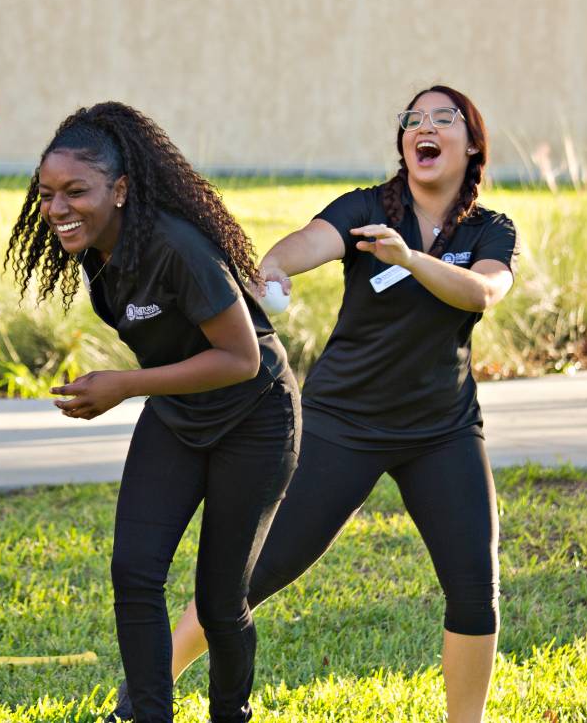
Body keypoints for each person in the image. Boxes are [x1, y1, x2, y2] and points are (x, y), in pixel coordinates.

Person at [106, 86, 518, 723]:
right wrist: (275, 268)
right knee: (245, 577)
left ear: (472, 144)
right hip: (341, 423)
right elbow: (306, 242)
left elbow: (481, 293)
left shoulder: (491, 229)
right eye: (413, 119)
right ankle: (142, 699)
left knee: (475, 588)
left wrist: (408, 259)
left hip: (444, 430)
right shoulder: (367, 207)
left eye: (443, 119)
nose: (424, 128)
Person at [5, 103, 300, 723]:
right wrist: (138, 388)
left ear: (121, 188)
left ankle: (230, 715)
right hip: (180, 415)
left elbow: (242, 357)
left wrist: (125, 384)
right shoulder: (98, 250)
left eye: (75, 192)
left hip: (256, 417)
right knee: (134, 573)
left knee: (219, 600)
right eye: (47, 193)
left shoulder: (177, 246)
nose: (57, 208)